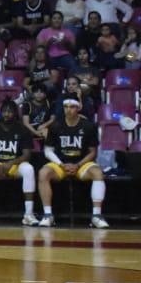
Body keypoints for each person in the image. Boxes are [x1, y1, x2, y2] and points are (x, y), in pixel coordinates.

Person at [37, 97, 108, 228]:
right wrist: (61, 164)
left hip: (81, 164)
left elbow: (93, 152)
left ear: (78, 108)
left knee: (98, 173)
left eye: (72, 107)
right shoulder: (55, 126)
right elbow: (48, 151)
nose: (68, 110)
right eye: (66, 107)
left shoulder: (88, 126)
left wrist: (78, 165)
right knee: (43, 173)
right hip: (60, 164)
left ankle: (96, 216)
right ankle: (48, 215)